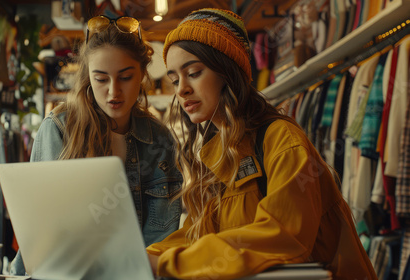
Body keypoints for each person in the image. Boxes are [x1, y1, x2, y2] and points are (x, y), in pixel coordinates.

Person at [146, 8, 377, 280]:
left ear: (228, 72)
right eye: (174, 80)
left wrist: (167, 262)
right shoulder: (219, 154)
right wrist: (146, 255)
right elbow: (199, 234)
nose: (181, 89)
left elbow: (282, 235)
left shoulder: (281, 140)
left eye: (194, 72)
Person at [10, 15, 182, 275]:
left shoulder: (159, 139)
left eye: (125, 77)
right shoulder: (59, 128)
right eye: (101, 79)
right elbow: (43, 231)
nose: (114, 92)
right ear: (88, 76)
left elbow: (159, 239)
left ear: (142, 74)